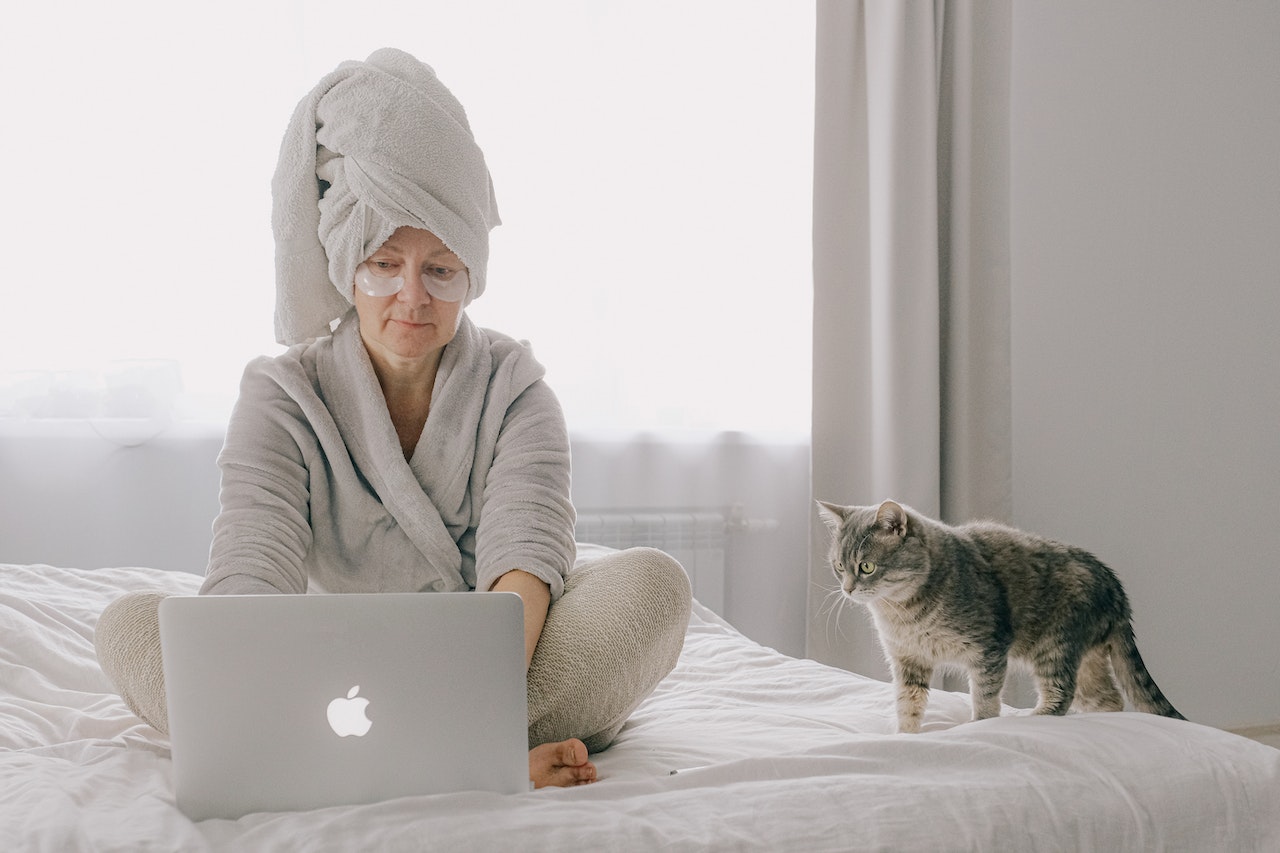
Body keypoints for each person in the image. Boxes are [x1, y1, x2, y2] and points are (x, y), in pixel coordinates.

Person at [94, 47, 691, 790]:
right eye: (384, 263)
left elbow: (523, 562)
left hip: (489, 672)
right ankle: (474, 760)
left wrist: (464, 699)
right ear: (347, 264)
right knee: (128, 627)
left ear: (470, 275)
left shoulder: (517, 389)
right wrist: (245, 666)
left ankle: (338, 759)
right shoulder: (282, 396)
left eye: (440, 269)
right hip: (324, 677)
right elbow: (252, 574)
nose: (413, 297)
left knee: (652, 587)